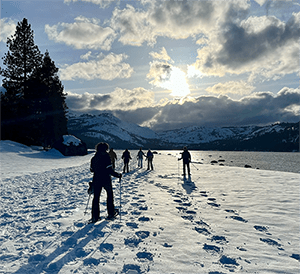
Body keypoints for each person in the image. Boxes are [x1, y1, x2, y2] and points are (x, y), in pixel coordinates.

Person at [90, 142, 122, 223]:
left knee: (96, 198)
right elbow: (109, 170)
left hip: (96, 179)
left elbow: (91, 169)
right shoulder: (107, 157)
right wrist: (117, 175)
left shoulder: (94, 158)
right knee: (110, 195)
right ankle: (111, 213)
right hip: (106, 179)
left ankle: (95, 217)